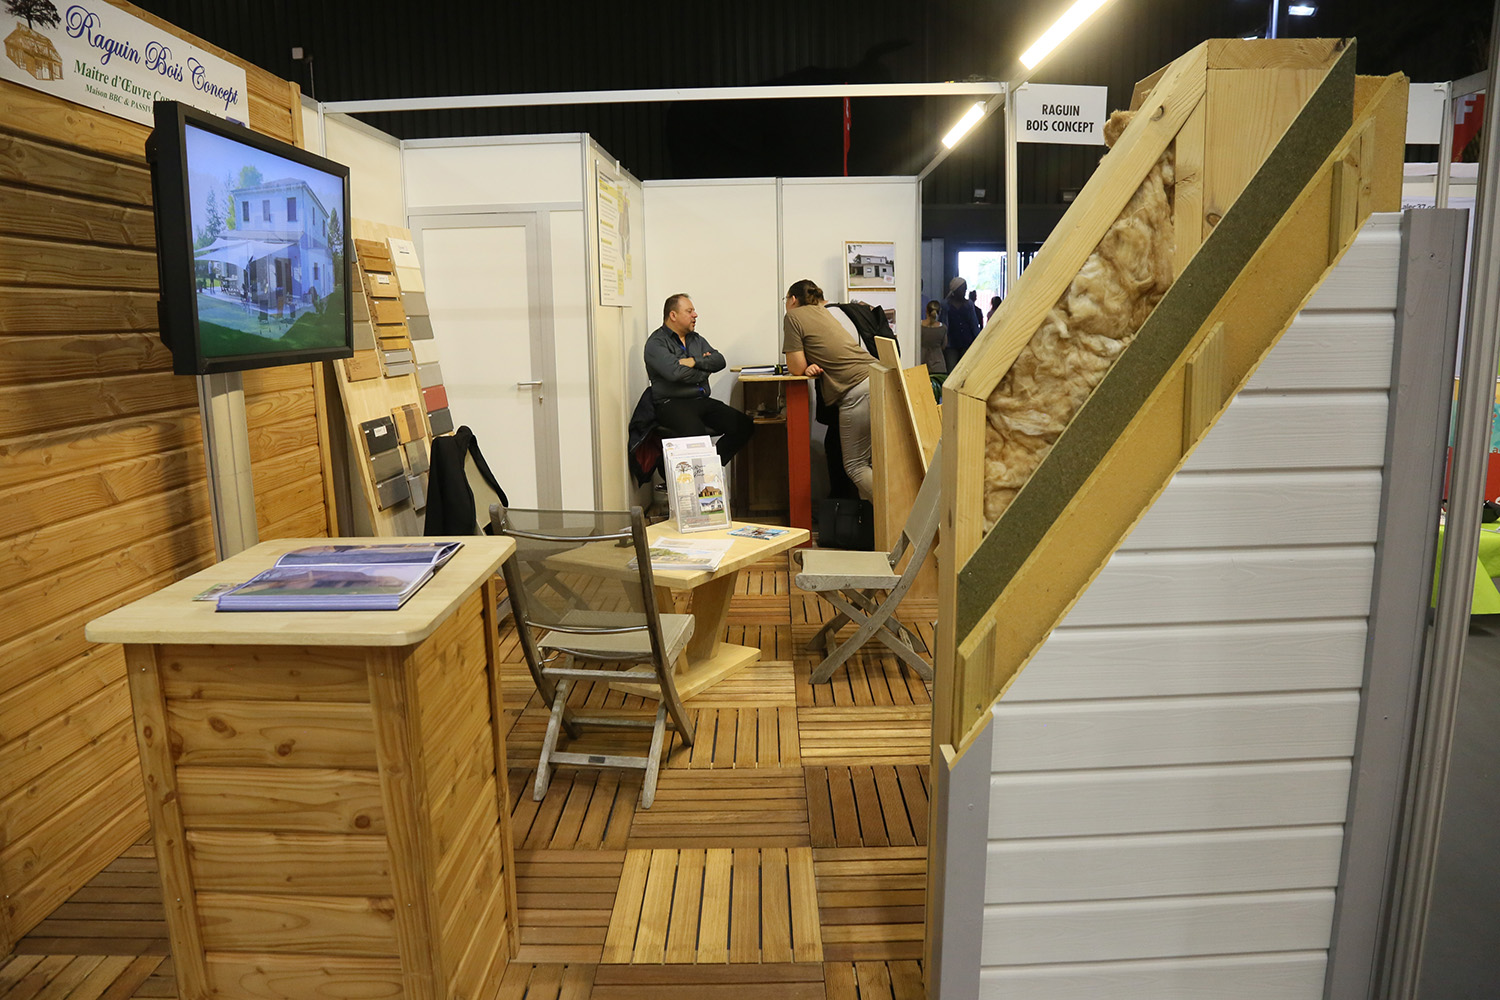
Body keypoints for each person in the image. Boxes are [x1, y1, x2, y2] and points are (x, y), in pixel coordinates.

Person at [782, 279, 877, 501]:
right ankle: (881, 529)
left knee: (855, 466)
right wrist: (808, 366)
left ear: (793, 299)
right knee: (872, 462)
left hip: (856, 389)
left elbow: (795, 367)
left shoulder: (793, 317)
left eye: (785, 299)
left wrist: (804, 367)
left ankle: (905, 516)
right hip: (876, 376)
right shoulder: (823, 311)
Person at [644, 293, 753, 466]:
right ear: (673, 315)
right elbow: (676, 373)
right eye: (689, 311)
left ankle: (710, 469)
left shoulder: (696, 339)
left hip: (700, 399)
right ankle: (690, 476)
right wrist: (705, 371)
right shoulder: (656, 343)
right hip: (671, 403)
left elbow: (719, 361)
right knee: (696, 436)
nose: (695, 315)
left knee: (744, 425)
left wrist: (695, 361)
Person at [944, 276, 979, 369]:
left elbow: (973, 324)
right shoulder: (945, 305)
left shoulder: (969, 305)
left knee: (965, 369)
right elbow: (943, 325)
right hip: (951, 343)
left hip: (966, 342)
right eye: (963, 289)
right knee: (951, 369)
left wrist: (978, 340)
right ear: (955, 290)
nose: (965, 291)